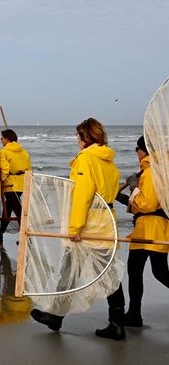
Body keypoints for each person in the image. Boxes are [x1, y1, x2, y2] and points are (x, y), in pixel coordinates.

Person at [30, 118, 126, 340]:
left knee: (96, 272)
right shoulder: (108, 160)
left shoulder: (86, 160)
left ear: (85, 137)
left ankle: (112, 323)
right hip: (106, 222)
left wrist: (75, 227)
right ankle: (112, 320)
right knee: (103, 271)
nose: (76, 140)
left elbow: (82, 196)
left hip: (90, 225)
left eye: (78, 135)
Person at [115, 136, 169, 327]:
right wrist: (121, 197)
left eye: (136, 150)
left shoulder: (153, 171)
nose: (136, 154)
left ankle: (135, 315)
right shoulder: (152, 170)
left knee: (159, 272)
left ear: (143, 150)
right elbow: (139, 205)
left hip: (151, 229)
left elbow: (147, 204)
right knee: (138, 271)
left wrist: (133, 186)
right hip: (147, 228)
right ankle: (134, 315)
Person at [0, 129, 31, 235]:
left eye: (1, 138)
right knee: (8, 209)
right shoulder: (24, 152)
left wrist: (1, 181)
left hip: (10, 184)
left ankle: (26, 235)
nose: (1, 140)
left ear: (7, 139)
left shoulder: (4, 152)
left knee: (18, 211)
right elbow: (29, 169)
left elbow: (5, 170)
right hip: (22, 183)